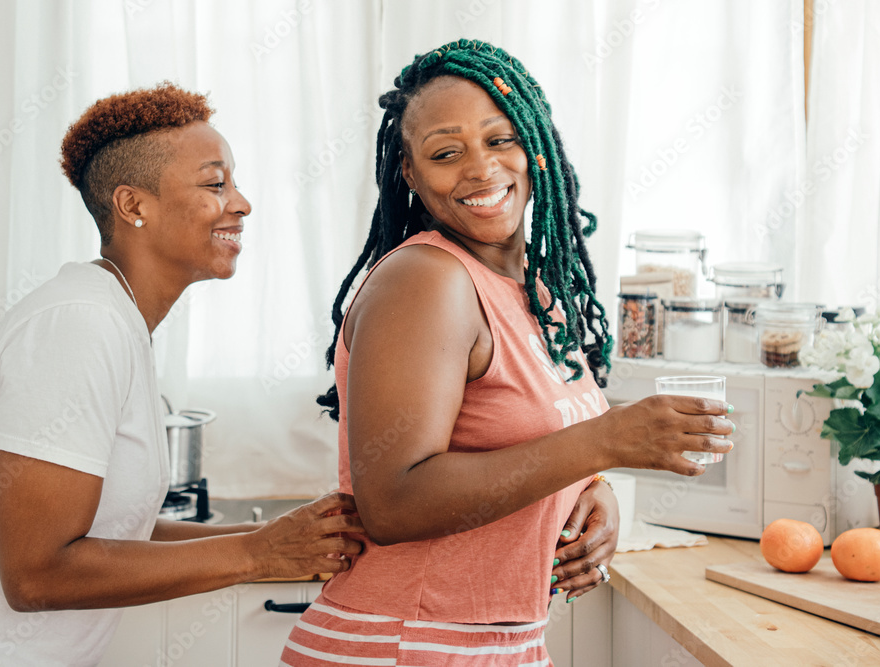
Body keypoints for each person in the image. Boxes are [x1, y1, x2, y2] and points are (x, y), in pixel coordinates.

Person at [281, 40, 733, 666]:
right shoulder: (426, 281)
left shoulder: (536, 290)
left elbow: (522, 442)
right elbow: (392, 502)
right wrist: (605, 442)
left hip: (497, 644)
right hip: (405, 644)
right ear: (409, 174)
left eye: (501, 140)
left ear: (536, 143)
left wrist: (590, 492)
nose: (481, 169)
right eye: (445, 153)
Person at [0, 83, 364, 665]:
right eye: (214, 183)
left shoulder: (116, 320)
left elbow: (119, 534)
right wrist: (256, 553)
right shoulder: (78, 324)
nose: (242, 203)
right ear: (134, 206)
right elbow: (37, 575)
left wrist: (286, 538)